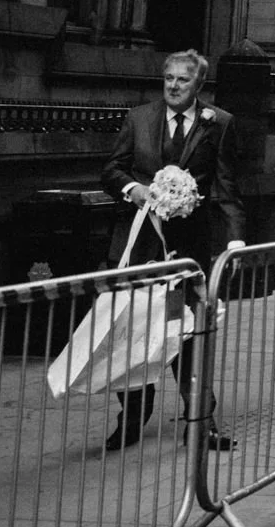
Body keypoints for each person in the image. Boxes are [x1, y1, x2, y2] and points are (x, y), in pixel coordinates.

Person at [99, 49, 246, 452]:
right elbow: (112, 170)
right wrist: (135, 190)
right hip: (140, 246)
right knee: (134, 333)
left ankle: (201, 421)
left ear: (199, 84)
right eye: (169, 78)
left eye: (183, 79)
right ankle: (132, 417)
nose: (174, 86)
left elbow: (227, 187)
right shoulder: (138, 119)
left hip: (188, 251)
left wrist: (234, 241)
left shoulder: (218, 123)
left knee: (188, 333)